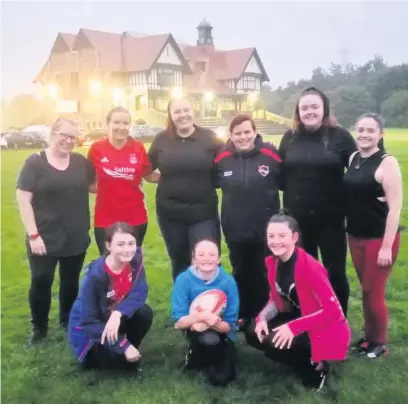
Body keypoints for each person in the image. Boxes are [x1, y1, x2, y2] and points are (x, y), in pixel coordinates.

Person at [245, 210, 351, 391]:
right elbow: (276, 298)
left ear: (294, 237)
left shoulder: (310, 267)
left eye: (282, 235)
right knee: (252, 331)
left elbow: (332, 311)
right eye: (271, 236)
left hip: (324, 325)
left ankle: (317, 368)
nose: (275, 241)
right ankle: (299, 358)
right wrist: (262, 318)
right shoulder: (273, 262)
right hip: (299, 317)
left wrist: (292, 328)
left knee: (276, 343)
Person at [278, 86, 357, 315]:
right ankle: (309, 317)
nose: (309, 111)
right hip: (298, 220)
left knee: (335, 272)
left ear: (324, 109)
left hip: (331, 219)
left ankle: (337, 318)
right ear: (298, 112)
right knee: (303, 272)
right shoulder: (290, 137)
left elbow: (358, 170)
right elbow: (280, 175)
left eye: (315, 107)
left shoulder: (340, 136)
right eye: (304, 108)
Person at [16, 118, 94, 343]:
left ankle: (67, 319)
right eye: (64, 135)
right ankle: (39, 327)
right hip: (44, 236)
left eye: (73, 137)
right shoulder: (35, 163)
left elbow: (95, 186)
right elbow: (23, 199)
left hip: (75, 234)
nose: (69, 141)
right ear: (53, 133)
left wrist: (126, 180)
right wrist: (33, 235)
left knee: (70, 281)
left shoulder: (80, 162)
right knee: (41, 280)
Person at [214, 114, 281, 329]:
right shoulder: (222, 158)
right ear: (230, 135)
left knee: (265, 272)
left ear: (254, 132)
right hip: (235, 227)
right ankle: (244, 313)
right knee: (241, 271)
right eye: (237, 133)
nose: (243, 137)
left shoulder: (270, 154)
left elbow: (285, 181)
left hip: (266, 228)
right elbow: (211, 181)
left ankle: (265, 315)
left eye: (247, 132)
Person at [344, 113, 402, 358]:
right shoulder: (354, 157)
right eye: (361, 130)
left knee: (373, 291)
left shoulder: (387, 162)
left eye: (370, 130)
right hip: (355, 235)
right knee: (366, 290)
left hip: (379, 239)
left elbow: (395, 207)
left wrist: (387, 246)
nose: (364, 135)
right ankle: (368, 339)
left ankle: (380, 343)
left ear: (380, 135)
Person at [148, 97, 224, 281]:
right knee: (180, 261)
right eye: (177, 111)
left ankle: (212, 305)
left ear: (193, 111)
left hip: (203, 213)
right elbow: (145, 170)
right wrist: (165, 179)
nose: (182, 115)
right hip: (170, 214)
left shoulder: (209, 138)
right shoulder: (161, 140)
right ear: (171, 115)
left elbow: (225, 167)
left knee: (207, 258)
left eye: (186, 110)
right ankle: (184, 307)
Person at [68, 222, 153, 371]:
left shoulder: (135, 260)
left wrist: (118, 313)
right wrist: (123, 346)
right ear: (108, 246)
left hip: (112, 317)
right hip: (91, 333)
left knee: (144, 312)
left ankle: (129, 348)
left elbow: (140, 291)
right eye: (120, 244)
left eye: (131, 243)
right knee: (119, 365)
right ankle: (123, 350)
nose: (127, 250)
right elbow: (88, 322)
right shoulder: (95, 277)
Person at [88, 107, 159, 255]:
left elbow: (148, 175)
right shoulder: (96, 148)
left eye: (125, 123)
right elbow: (89, 182)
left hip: (135, 217)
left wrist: (177, 175)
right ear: (108, 124)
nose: (121, 127)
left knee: (131, 263)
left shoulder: (138, 147)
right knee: (108, 265)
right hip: (105, 219)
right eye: (116, 122)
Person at [171, 239, 239, 387]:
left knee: (222, 379)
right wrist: (202, 316)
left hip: (222, 331)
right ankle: (196, 353)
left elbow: (229, 324)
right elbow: (180, 322)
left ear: (219, 259)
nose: (207, 258)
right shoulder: (183, 280)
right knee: (209, 341)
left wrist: (208, 323)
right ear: (194, 259)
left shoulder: (228, 282)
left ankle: (215, 355)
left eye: (212, 254)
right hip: (194, 328)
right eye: (201, 254)